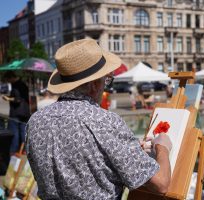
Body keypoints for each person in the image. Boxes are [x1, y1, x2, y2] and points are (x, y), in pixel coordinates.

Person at [25, 39, 172, 199]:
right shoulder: (104, 121)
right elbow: (161, 184)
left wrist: (127, 149)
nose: (105, 86)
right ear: (95, 84)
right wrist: (162, 148)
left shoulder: (35, 122)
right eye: (106, 80)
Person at [2, 71, 30, 154]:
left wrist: (8, 99)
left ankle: (14, 150)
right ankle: (25, 150)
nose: (8, 82)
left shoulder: (17, 86)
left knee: (14, 132)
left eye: (8, 80)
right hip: (25, 112)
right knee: (23, 132)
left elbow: (18, 99)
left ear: (10, 78)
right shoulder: (23, 84)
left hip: (16, 112)